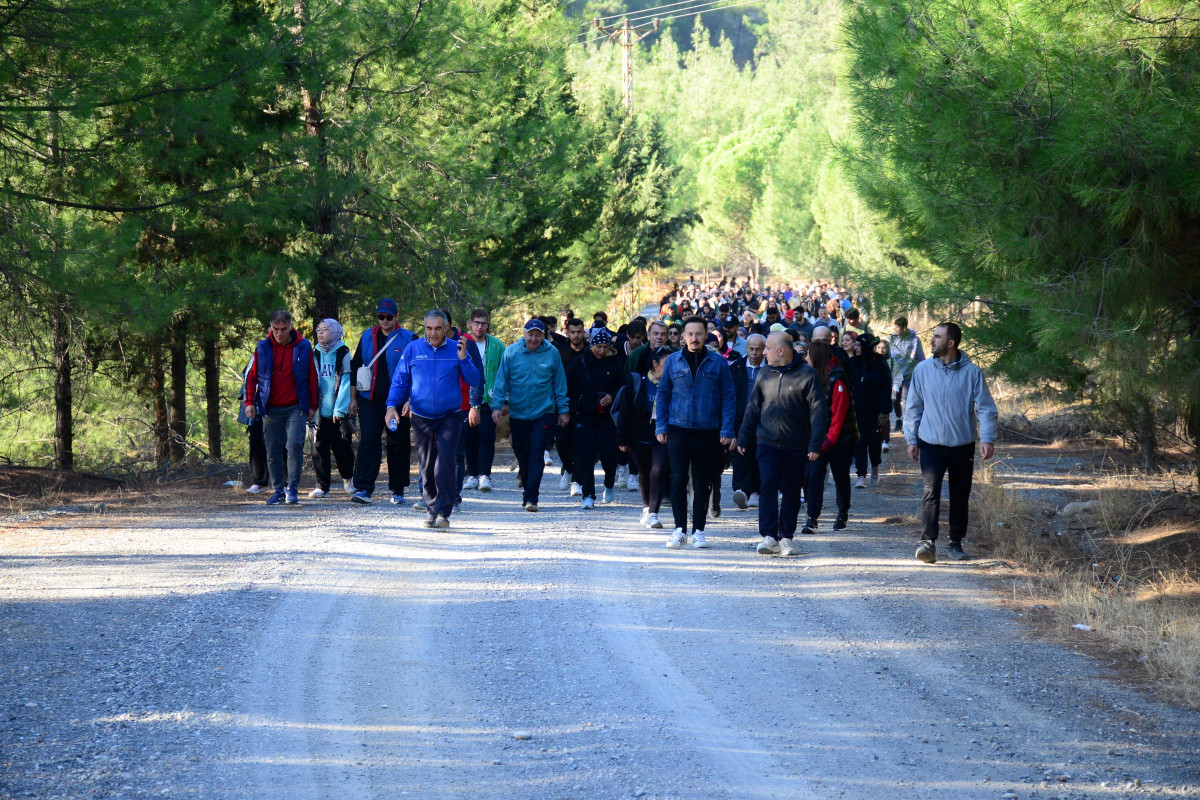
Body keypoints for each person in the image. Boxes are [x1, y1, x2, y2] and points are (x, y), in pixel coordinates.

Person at [905, 322, 998, 563]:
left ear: (951, 343)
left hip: (962, 444)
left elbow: (986, 408)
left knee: (960, 495)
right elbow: (913, 407)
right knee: (930, 492)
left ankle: (955, 543)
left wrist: (987, 438)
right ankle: (927, 542)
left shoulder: (972, 372)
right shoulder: (922, 370)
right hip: (930, 442)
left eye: (937, 337)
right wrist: (911, 439)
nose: (932, 340)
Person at [385, 310, 481, 529]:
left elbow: (474, 378)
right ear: (424, 328)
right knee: (427, 465)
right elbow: (400, 380)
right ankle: (431, 509)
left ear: (446, 327)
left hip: (450, 416)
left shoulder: (457, 348)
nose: (433, 333)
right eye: (429, 328)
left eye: (438, 328)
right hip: (421, 417)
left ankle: (444, 512)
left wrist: (464, 358)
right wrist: (391, 406)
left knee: (445, 461)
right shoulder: (413, 349)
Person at [738, 332, 828, 556]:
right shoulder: (765, 373)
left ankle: (786, 537)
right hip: (767, 442)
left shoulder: (807, 374)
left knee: (790, 490)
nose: (763, 353)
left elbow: (818, 411)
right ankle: (769, 536)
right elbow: (753, 407)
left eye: (767, 348)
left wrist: (815, 444)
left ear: (781, 351)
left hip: (796, 444)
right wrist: (744, 436)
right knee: (767, 485)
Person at [656, 315, 737, 550]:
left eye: (698, 334)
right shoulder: (672, 361)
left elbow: (728, 397)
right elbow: (663, 395)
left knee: (702, 482)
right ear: (683, 336)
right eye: (690, 334)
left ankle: (698, 531)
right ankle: (679, 529)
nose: (694, 338)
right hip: (678, 429)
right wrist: (661, 426)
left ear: (705, 335)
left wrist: (727, 429)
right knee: (678, 478)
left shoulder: (718, 362)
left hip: (708, 430)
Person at [492, 319, 570, 512]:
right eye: (530, 334)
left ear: (544, 335)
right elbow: (501, 381)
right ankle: (526, 482)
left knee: (536, 452)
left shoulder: (552, 353)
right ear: (524, 334)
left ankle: (531, 497)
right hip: (518, 414)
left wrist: (563, 410)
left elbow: (559, 383)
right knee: (522, 453)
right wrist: (497, 406)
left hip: (543, 412)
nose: (534, 338)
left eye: (538, 334)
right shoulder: (511, 352)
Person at [243, 310, 315, 505]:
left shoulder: (303, 346)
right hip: (270, 407)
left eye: (284, 329)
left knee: (293, 445)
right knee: (272, 449)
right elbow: (251, 376)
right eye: (276, 329)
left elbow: (312, 376)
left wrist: (313, 405)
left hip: (296, 406)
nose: (280, 333)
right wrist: (249, 402)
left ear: (291, 326)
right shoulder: (263, 347)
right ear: (271, 328)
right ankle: (278, 490)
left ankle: (292, 488)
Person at [349, 299, 416, 505]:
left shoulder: (409, 338)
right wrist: (352, 398)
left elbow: (418, 371)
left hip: (398, 402)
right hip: (370, 399)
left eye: (388, 317)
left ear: (397, 317)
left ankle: (397, 489)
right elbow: (355, 367)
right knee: (369, 440)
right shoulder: (368, 336)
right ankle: (363, 488)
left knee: (398, 443)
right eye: (381, 317)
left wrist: (411, 400)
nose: (384, 321)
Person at [567, 329, 625, 509]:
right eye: (598, 346)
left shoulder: (614, 362)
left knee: (609, 455)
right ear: (591, 345)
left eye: (605, 347)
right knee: (586, 455)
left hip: (608, 418)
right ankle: (588, 495)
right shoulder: (580, 362)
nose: (601, 350)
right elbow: (570, 387)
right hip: (586, 416)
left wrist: (612, 396)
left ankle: (609, 483)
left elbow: (624, 386)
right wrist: (576, 405)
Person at [804, 339, 857, 533]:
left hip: (841, 440)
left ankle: (843, 513)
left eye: (808, 354)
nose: (805, 358)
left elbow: (839, 416)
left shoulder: (838, 378)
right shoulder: (810, 376)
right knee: (813, 476)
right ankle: (812, 517)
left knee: (840, 477)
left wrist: (828, 442)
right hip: (817, 439)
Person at [617, 346, 671, 528]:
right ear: (654, 364)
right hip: (638, 436)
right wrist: (622, 439)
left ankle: (654, 513)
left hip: (662, 435)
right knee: (644, 473)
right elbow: (625, 411)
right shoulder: (637, 380)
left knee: (658, 470)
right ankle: (646, 508)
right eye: (666, 364)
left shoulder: (672, 383)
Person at [309, 319, 355, 498]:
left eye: (325, 330)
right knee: (318, 449)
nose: (320, 333)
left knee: (342, 448)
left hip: (338, 413)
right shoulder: (315, 353)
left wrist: (340, 409)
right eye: (318, 330)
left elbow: (346, 381)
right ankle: (322, 486)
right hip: (319, 413)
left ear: (335, 332)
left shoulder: (343, 353)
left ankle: (348, 479)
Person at [462, 308, 504, 493]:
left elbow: (504, 373)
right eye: (476, 322)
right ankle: (472, 474)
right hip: (465, 398)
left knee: (486, 436)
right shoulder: (461, 342)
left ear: (488, 325)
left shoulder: (497, 345)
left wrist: (504, 401)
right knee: (469, 438)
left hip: (489, 397)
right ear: (469, 323)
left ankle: (484, 474)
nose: (479, 327)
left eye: (483, 323)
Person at [729, 333, 767, 511]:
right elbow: (730, 395)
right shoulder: (736, 367)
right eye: (751, 349)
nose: (754, 353)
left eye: (758, 349)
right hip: (741, 418)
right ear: (746, 349)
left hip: (764, 419)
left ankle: (756, 492)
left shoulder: (770, 368)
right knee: (741, 453)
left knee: (759, 454)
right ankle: (742, 490)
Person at [554, 317, 588, 495]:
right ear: (567, 332)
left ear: (584, 332)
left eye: (579, 332)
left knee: (581, 444)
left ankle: (577, 480)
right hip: (562, 403)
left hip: (584, 404)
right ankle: (568, 468)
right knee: (561, 442)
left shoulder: (589, 352)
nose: (576, 335)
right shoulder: (560, 353)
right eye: (573, 332)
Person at [237, 354, 269, 494]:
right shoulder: (259, 353)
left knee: (281, 445)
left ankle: (285, 483)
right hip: (258, 406)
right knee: (256, 443)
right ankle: (259, 481)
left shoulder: (291, 350)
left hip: (279, 406)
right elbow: (248, 375)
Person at [889, 315, 925, 432]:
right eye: (895, 328)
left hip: (909, 374)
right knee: (895, 398)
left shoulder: (914, 340)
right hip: (895, 374)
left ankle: (906, 423)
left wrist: (921, 373)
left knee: (906, 400)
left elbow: (921, 358)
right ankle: (899, 419)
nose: (896, 330)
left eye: (898, 328)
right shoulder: (892, 339)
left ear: (904, 328)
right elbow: (888, 355)